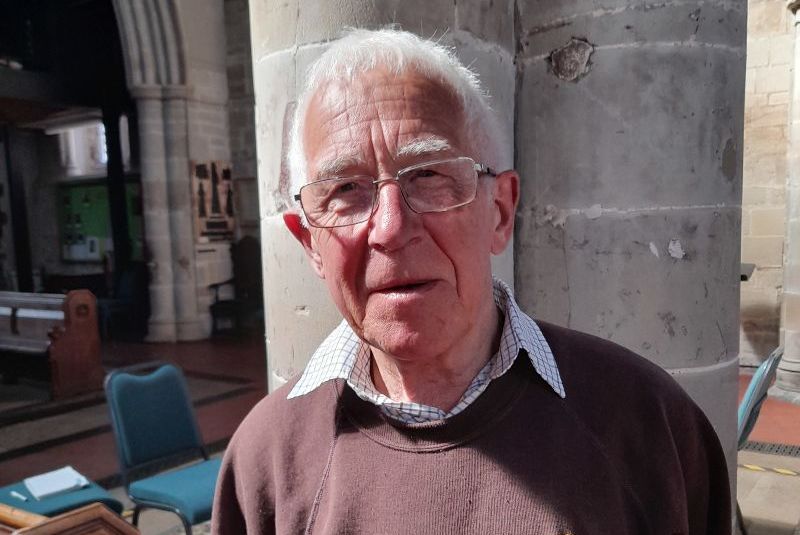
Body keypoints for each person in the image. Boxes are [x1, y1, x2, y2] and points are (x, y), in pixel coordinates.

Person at [212, 28, 731, 535]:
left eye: (429, 175)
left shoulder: (648, 423)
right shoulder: (265, 461)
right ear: (310, 244)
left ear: (500, 211)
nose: (391, 229)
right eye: (346, 188)